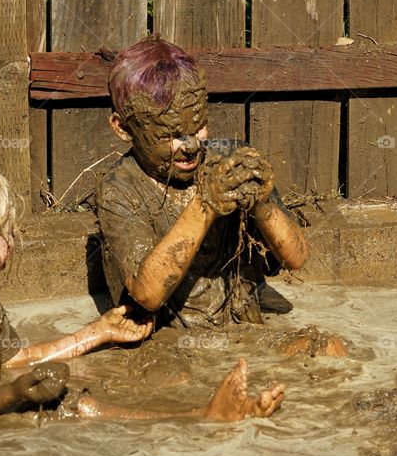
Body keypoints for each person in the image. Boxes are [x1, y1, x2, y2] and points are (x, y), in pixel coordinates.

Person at [0, 168, 284, 420]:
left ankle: (200, 416)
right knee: (76, 406)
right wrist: (14, 395)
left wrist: (98, 332)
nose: (14, 240)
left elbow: (16, 358)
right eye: (4, 232)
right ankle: (202, 418)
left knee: (81, 401)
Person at [97, 36, 308, 329]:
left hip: (243, 327)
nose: (191, 145)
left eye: (198, 127)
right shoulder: (119, 190)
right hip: (169, 342)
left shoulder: (229, 160)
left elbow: (296, 259)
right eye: (171, 135)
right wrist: (206, 204)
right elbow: (147, 294)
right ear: (122, 128)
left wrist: (262, 203)